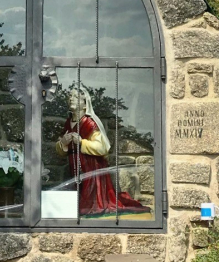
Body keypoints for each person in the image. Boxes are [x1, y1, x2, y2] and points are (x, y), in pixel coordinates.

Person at [56, 87, 150, 217]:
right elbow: (61, 150)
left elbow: (102, 148)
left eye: (76, 97)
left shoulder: (89, 123)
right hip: (76, 166)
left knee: (91, 198)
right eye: (70, 96)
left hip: (91, 167)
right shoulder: (68, 123)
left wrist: (82, 142)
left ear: (85, 104)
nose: (71, 99)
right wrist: (63, 144)